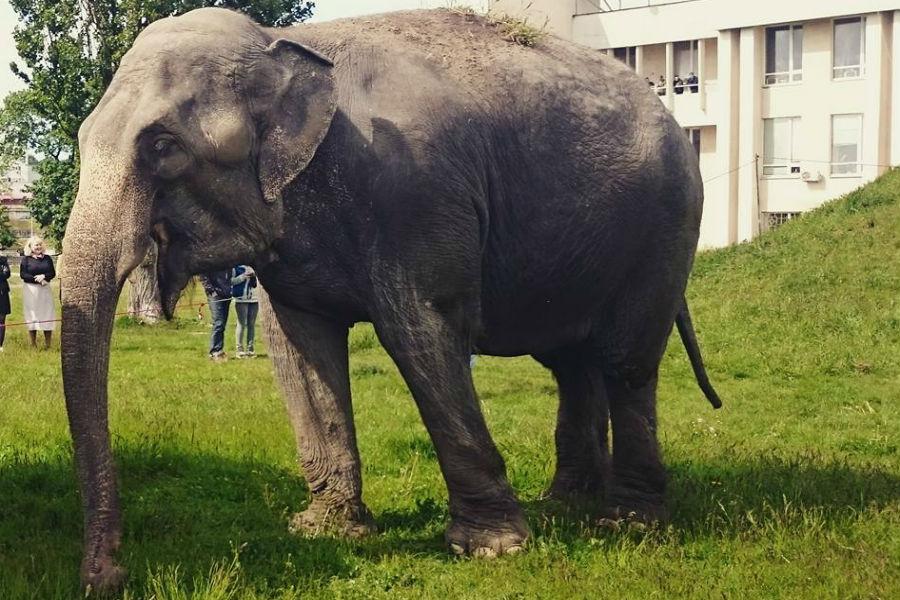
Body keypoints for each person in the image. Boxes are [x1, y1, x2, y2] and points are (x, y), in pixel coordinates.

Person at [20, 236, 56, 349]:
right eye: (36, 245)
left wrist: (44, 276)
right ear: (30, 247)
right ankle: (33, 344)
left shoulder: (47, 258)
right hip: (31, 290)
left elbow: (52, 273)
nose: (38, 247)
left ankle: (48, 344)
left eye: (40, 244)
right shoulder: (26, 259)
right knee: (33, 314)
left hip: (45, 290)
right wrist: (37, 279)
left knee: (47, 314)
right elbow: (23, 274)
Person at [199, 270, 233, 361]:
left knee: (222, 324)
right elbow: (203, 275)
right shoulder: (211, 263)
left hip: (226, 294)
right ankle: (214, 351)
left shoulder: (228, 263)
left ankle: (219, 350)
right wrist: (211, 290)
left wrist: (230, 290)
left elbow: (229, 277)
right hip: (215, 295)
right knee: (219, 323)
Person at [231, 264, 258, 358]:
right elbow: (231, 281)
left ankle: (250, 349)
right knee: (242, 324)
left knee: (251, 324)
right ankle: (239, 349)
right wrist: (243, 276)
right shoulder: (237, 268)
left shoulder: (255, 266)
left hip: (255, 298)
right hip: (241, 299)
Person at [0, 254, 10, 352]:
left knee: (2, 319)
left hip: (2, 292)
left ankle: (0, 345)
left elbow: (7, 274)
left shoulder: (3, 260)